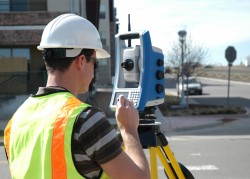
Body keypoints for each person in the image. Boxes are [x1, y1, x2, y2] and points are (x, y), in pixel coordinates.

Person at [4, 13, 150, 179]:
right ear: (81, 61)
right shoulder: (85, 119)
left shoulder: (15, 122)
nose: (94, 72)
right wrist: (129, 130)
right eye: (94, 63)